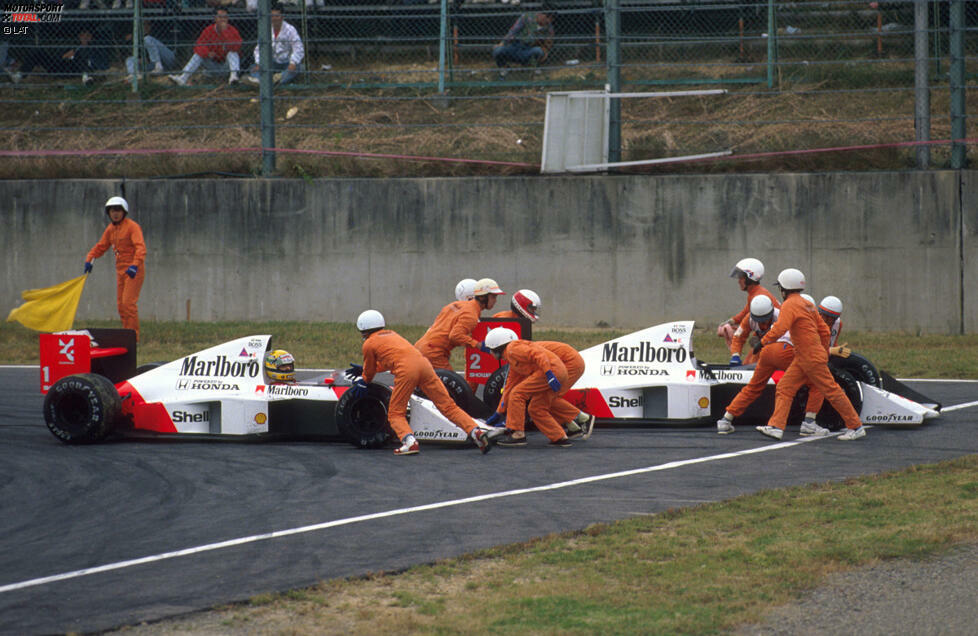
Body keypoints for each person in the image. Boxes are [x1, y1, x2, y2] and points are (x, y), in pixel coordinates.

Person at [347, 310, 490, 456]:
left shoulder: (369, 344)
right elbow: (392, 359)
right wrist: (366, 370)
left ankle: (409, 442)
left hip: (406, 370)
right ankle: (475, 431)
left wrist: (364, 380)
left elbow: (370, 372)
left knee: (395, 413)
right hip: (424, 365)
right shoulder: (392, 334)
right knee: (448, 406)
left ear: (362, 328)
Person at [755, 269, 866, 441]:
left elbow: (780, 328)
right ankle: (776, 427)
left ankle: (856, 426)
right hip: (805, 357)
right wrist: (823, 351)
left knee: (831, 390)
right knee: (785, 387)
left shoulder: (790, 304)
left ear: (785, 288)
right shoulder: (807, 304)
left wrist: (762, 342)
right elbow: (824, 330)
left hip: (808, 357)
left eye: (781, 288)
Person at [715, 296, 830, 437]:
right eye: (759, 320)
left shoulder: (782, 313)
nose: (762, 323)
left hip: (767, 351)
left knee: (753, 386)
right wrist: (735, 355)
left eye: (765, 319)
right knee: (816, 383)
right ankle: (809, 423)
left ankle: (725, 419)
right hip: (784, 350)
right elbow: (739, 336)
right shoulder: (803, 317)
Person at [482, 327, 572, 448]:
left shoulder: (512, 349)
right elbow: (509, 386)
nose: (490, 353)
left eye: (490, 350)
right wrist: (499, 412)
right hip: (557, 372)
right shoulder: (513, 359)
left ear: (497, 346)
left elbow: (538, 354)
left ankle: (517, 433)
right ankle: (559, 437)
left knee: (517, 394)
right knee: (536, 409)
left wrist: (548, 373)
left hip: (551, 372)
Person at [84, 196, 147, 341]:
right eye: (113, 210)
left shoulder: (132, 227)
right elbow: (101, 246)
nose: (115, 213)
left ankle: (133, 337)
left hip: (133, 271)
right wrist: (89, 259)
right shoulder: (111, 229)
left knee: (128, 304)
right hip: (121, 271)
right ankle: (127, 334)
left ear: (124, 212)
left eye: (118, 210)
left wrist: (135, 265)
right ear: (109, 212)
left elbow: (141, 248)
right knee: (121, 305)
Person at [415, 277, 505, 377]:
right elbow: (455, 336)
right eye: (493, 297)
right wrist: (479, 346)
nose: (495, 301)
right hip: (434, 353)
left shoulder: (455, 304)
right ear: (483, 297)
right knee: (454, 389)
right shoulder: (471, 315)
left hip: (420, 347)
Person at [800, 295, 852, 423]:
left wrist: (832, 350)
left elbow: (830, 345)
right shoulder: (809, 322)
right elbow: (807, 349)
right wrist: (831, 350)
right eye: (825, 315)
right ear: (819, 312)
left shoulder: (837, 324)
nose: (828, 320)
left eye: (832, 317)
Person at [719, 257, 780, 357]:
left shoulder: (758, 296)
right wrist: (732, 321)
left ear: (750, 277)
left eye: (741, 277)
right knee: (749, 361)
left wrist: (758, 337)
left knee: (753, 362)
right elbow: (746, 312)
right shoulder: (755, 294)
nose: (738, 281)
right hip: (768, 338)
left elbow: (762, 322)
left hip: (774, 340)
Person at [168, 8, 242, 86]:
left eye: (225, 17)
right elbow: (198, 46)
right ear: (215, 18)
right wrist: (207, 53)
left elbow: (237, 47)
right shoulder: (209, 30)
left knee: (233, 53)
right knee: (198, 54)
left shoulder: (232, 30)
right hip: (212, 65)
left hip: (226, 66)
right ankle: (183, 78)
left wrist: (225, 32)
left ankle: (233, 78)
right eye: (220, 17)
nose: (223, 20)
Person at [246, 5, 304, 86]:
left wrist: (293, 63)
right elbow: (259, 48)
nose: (274, 18)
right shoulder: (266, 29)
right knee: (253, 68)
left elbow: (298, 48)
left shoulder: (290, 30)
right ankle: (265, 81)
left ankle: (272, 80)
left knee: (297, 68)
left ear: (282, 17)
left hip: (286, 62)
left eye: (277, 16)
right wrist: (259, 63)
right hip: (271, 62)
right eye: (272, 16)